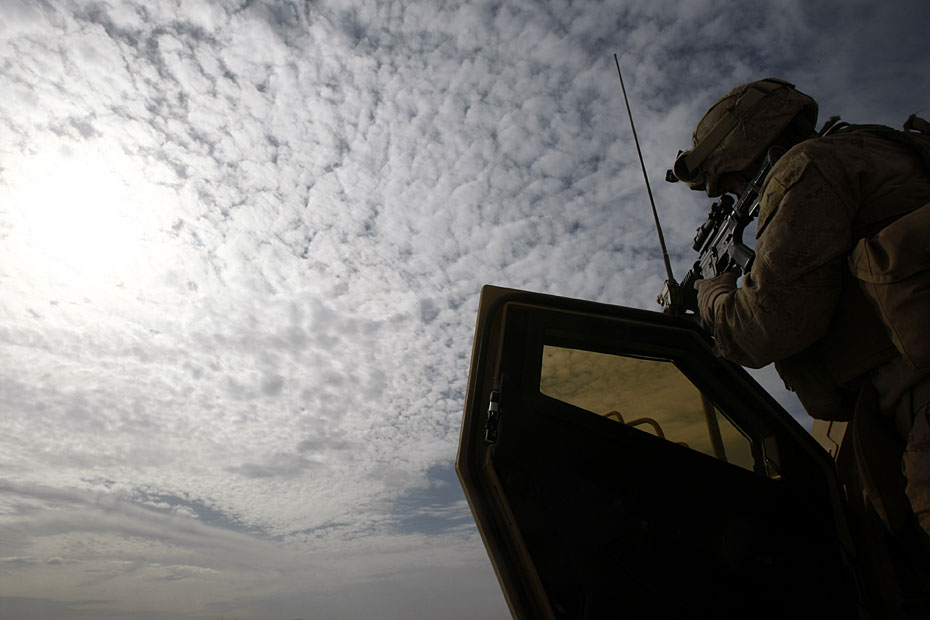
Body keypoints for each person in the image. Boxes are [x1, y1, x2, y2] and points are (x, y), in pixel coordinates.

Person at [669, 78, 930, 541]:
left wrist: (710, 295)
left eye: (731, 182)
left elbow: (765, 325)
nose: (737, 194)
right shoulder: (878, 148)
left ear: (744, 149)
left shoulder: (805, 167)